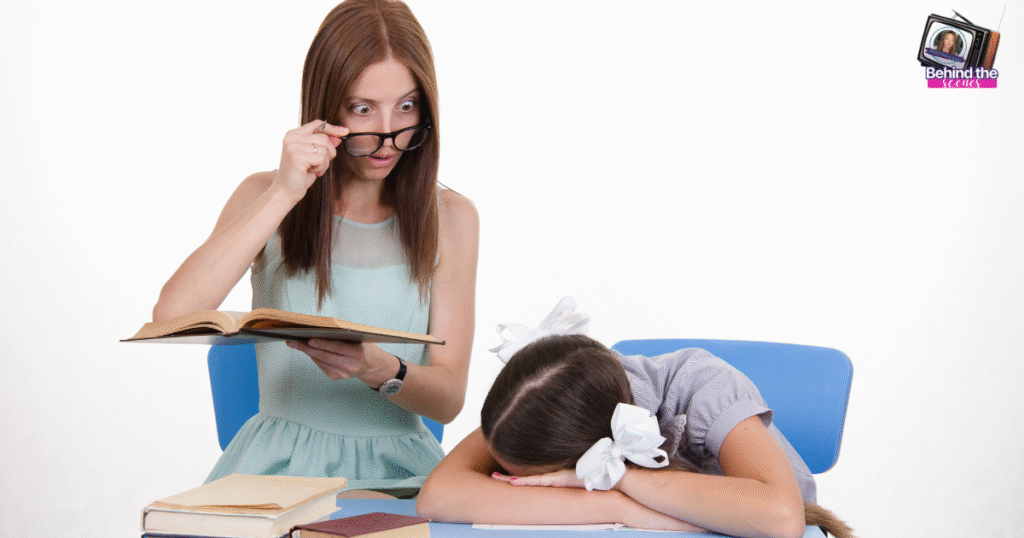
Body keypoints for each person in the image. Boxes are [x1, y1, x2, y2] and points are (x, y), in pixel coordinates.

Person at [152, 0, 479, 493]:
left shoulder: (452, 217)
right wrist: (285, 191)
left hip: (400, 471)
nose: (388, 137)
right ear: (326, 106)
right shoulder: (264, 194)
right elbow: (171, 314)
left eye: (407, 107)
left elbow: (450, 397)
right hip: (275, 470)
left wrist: (377, 367)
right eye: (363, 108)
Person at [418, 299, 852, 538]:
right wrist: (616, 508)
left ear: (588, 455)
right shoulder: (541, 398)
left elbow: (780, 517)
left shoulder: (703, 386)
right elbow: (439, 496)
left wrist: (625, 482)